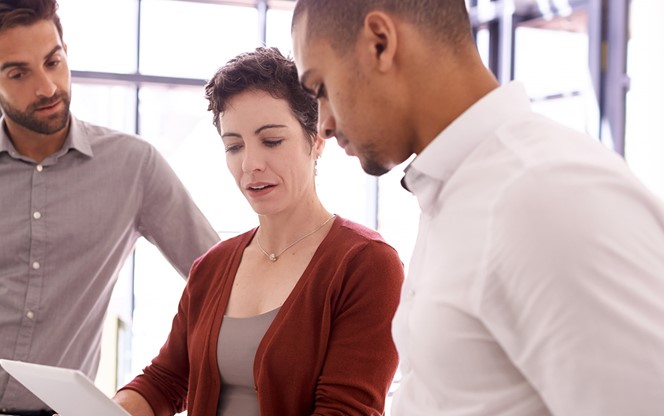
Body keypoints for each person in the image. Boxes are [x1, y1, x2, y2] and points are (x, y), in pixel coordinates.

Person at [291, 1, 664, 415]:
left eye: (321, 88)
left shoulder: (543, 195)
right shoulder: (458, 190)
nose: (323, 122)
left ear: (380, 43)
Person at [112, 46, 404, 416]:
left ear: (315, 140)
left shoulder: (367, 265)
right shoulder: (212, 267)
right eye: (234, 146)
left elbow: (345, 411)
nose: (250, 164)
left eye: (271, 141)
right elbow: (165, 381)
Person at [0, 0, 220, 413]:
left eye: (53, 61)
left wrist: (163, 385)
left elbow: (222, 278)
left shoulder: (133, 166)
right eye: (18, 73)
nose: (46, 87)